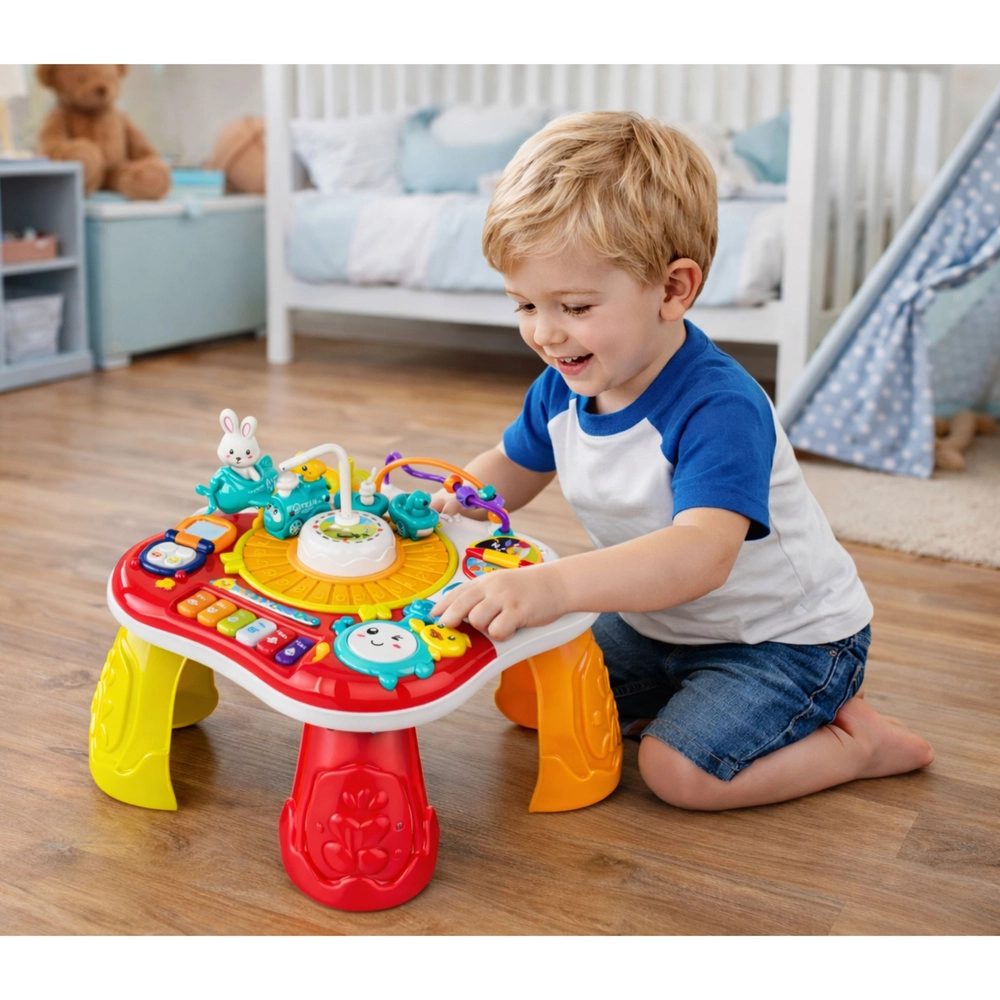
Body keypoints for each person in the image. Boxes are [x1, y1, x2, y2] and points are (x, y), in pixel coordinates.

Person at [429, 110, 934, 811]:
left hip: (784, 642)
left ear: (673, 289)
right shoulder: (564, 383)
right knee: (531, 697)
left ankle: (857, 745)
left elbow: (699, 556)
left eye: (574, 306)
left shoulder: (720, 406)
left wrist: (555, 585)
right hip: (661, 625)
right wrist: (449, 504)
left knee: (678, 774)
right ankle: (687, 703)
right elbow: (512, 466)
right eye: (524, 305)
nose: (544, 333)